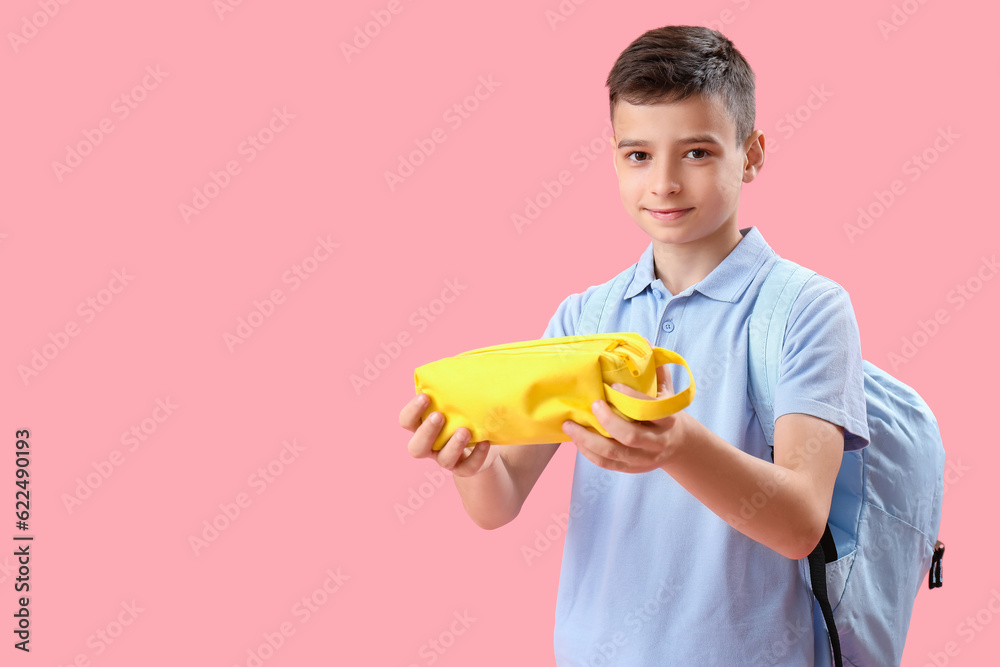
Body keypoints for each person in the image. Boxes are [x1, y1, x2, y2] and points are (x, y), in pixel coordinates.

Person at [398, 25, 869, 666]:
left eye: (697, 153)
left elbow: (799, 523)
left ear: (752, 154)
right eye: (638, 155)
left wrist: (676, 445)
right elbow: (500, 502)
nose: (665, 183)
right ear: (615, 156)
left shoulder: (806, 309)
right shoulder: (585, 316)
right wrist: (474, 466)